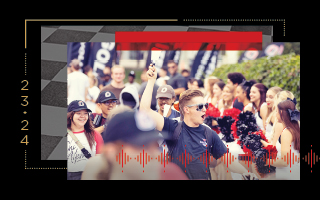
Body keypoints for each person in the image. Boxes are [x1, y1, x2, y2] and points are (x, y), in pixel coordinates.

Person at [140, 64, 251, 180]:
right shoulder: (173, 127)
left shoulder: (209, 133)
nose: (204, 109)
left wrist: (246, 172)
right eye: (199, 106)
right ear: (186, 109)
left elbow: (228, 160)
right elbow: (145, 111)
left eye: (205, 105)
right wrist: (151, 81)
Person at [82, 110, 189, 180]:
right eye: (143, 146)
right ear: (112, 152)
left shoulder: (171, 174)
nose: (157, 155)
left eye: (155, 145)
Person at [261, 99, 300, 180]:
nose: (275, 115)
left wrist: (266, 161)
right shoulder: (294, 129)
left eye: (276, 112)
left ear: (281, 113)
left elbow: (284, 162)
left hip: (288, 175)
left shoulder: (287, 132)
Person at [67, 100, 104, 180]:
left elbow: (100, 161)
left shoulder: (95, 134)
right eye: (78, 113)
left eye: (85, 113)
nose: (83, 116)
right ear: (70, 116)